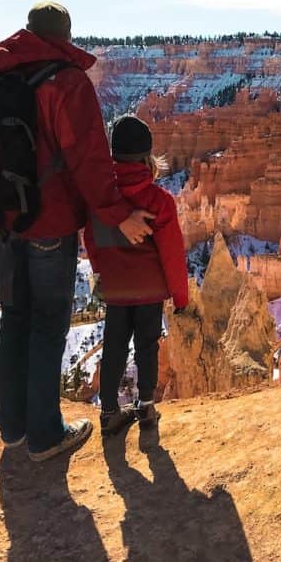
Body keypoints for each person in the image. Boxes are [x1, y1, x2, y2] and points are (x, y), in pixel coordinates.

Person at [0, 2, 154, 462]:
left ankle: (12, 427)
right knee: (48, 324)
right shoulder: (66, 82)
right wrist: (116, 213)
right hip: (48, 222)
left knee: (14, 317)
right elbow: (89, 162)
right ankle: (46, 435)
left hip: (2, 220)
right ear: (65, 36)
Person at [84, 116, 189, 435]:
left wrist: (102, 271)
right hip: (149, 292)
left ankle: (109, 412)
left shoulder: (103, 201)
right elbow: (172, 254)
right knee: (147, 346)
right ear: (148, 159)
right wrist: (180, 298)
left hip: (116, 288)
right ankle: (146, 407)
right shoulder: (160, 201)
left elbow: (90, 239)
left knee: (114, 345)